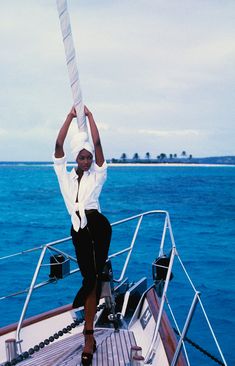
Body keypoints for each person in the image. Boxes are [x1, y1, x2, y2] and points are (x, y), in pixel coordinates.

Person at [53, 105, 112, 365]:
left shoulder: (97, 176)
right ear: (76, 159)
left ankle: (88, 337)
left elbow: (98, 144)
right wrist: (68, 118)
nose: (87, 161)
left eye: (89, 158)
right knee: (90, 278)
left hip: (98, 227)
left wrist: (90, 118)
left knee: (94, 278)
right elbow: (57, 146)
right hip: (78, 230)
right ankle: (87, 328)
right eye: (83, 158)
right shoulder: (65, 178)